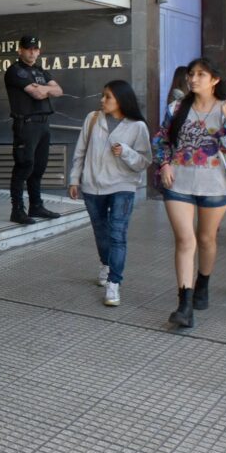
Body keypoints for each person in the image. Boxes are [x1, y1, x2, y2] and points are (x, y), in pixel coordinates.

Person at [153, 58, 226, 328]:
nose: (193, 79)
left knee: (205, 239)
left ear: (215, 79)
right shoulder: (177, 107)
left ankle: (202, 281)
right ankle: (184, 304)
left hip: (215, 184)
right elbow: (162, 139)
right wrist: (165, 163)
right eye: (191, 74)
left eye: (201, 74)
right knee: (184, 240)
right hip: (178, 182)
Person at [68, 80, 151, 307]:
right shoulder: (92, 119)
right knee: (101, 231)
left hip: (122, 186)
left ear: (121, 100)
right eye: (103, 96)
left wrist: (126, 153)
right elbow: (80, 151)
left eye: (108, 97)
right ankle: (106, 264)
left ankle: (114, 282)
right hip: (92, 185)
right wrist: (75, 179)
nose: (102, 100)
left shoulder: (137, 126)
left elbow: (144, 161)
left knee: (117, 233)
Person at [4, 35, 64, 225]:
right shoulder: (15, 71)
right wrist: (46, 89)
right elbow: (37, 94)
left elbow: (59, 91)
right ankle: (17, 210)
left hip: (43, 124)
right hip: (26, 124)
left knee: (39, 167)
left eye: (35, 49)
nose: (32, 52)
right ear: (20, 50)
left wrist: (43, 88)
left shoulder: (40, 71)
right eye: (28, 48)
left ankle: (36, 205)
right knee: (24, 165)